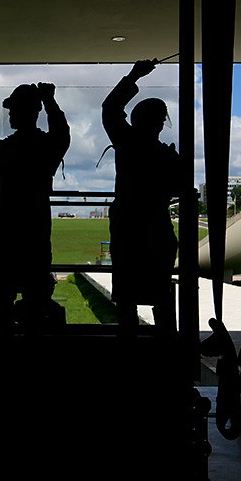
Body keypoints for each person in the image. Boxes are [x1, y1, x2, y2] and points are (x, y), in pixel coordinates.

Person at [0, 82, 70, 326]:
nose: (11, 115)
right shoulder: (46, 146)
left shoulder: (3, 149)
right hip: (36, 223)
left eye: (14, 110)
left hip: (6, 224)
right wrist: (50, 100)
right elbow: (62, 133)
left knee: (3, 292)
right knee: (34, 290)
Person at [102, 59, 181, 333]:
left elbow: (110, 108)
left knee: (127, 296)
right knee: (160, 294)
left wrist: (135, 75)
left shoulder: (126, 141)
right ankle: (167, 347)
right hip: (157, 228)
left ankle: (130, 348)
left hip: (127, 228)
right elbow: (178, 188)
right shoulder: (165, 155)